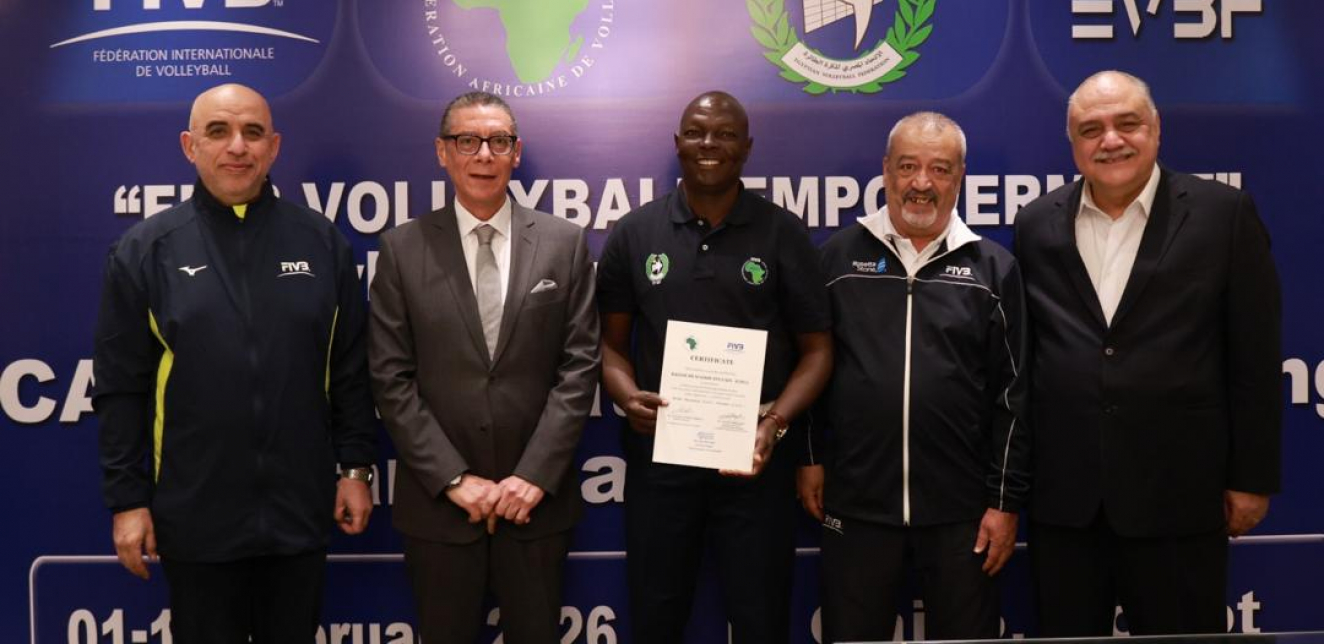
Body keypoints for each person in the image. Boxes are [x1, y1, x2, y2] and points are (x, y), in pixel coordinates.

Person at [94, 83, 377, 643]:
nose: (237, 147)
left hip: (299, 513)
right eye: (218, 131)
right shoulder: (146, 250)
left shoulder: (322, 243)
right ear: (190, 145)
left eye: (253, 132)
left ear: (274, 146)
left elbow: (349, 370)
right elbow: (121, 389)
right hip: (195, 517)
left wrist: (354, 470)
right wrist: (128, 502)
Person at [1014, 70, 1282, 636]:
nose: (1110, 140)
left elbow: (1255, 358)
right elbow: (1030, 358)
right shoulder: (1036, 223)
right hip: (1066, 503)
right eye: (1091, 129)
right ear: (1072, 143)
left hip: (1178, 495)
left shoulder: (1224, 214)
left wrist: (1251, 477)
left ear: (1156, 129)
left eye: (1127, 123)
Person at [596, 91, 833, 644]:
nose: (709, 144)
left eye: (725, 134)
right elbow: (610, 347)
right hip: (661, 461)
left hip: (755, 462)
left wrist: (774, 425)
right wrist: (626, 395)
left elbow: (818, 352)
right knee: (655, 620)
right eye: (697, 132)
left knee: (760, 620)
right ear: (677, 143)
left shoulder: (782, 232)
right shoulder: (635, 232)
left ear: (746, 148)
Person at [368, 91, 600, 644]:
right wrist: (454, 479)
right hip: (441, 510)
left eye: (498, 141)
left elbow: (580, 366)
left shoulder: (564, 244)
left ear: (516, 153)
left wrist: (532, 477)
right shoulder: (402, 249)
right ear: (442, 152)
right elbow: (390, 378)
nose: (483, 155)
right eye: (467, 141)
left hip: (536, 508)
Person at [801, 112, 1028, 642]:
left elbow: (1013, 397)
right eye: (908, 166)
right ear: (886, 170)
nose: (921, 183)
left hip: (962, 513)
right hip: (856, 505)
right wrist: (809, 457)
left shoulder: (993, 270)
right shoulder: (836, 260)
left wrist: (1003, 501)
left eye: (939, 169)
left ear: (960, 176)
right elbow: (809, 368)